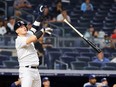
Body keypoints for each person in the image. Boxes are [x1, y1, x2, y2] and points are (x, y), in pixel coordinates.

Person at [14, 9, 52, 87]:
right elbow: (33, 38)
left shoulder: (27, 34)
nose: (24, 27)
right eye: (21, 27)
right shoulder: (19, 40)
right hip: (26, 70)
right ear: (17, 31)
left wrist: (40, 16)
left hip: (35, 70)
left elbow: (34, 27)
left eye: (24, 26)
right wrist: (43, 30)